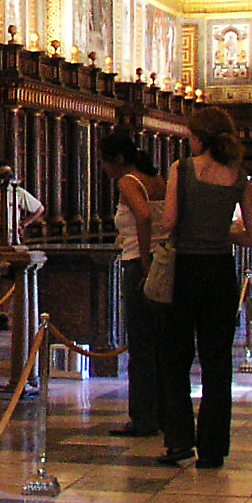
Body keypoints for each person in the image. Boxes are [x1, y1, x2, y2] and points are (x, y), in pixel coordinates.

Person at [154, 106, 252, 468]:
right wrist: (221, 231)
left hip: (185, 270)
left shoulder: (182, 170)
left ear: (198, 136)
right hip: (220, 273)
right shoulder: (239, 177)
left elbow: (168, 222)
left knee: (175, 358)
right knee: (217, 363)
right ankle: (213, 449)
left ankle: (179, 441)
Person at [100, 131, 166, 438]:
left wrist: (143, 261)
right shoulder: (157, 179)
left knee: (140, 345)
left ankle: (142, 418)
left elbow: (142, 216)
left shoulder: (127, 181)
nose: (102, 165)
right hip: (164, 260)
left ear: (118, 159)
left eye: (103, 159)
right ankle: (164, 412)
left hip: (140, 263)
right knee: (159, 344)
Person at [0, 165, 43, 247]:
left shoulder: (18, 191)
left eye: (8, 175)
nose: (5, 178)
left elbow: (39, 208)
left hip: (11, 238)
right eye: (2, 175)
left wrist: (23, 224)